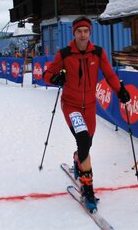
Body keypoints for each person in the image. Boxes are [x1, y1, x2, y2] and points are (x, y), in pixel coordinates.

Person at [43, 16, 130, 213]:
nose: (82, 34)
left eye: (86, 31)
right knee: (83, 140)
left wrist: (120, 91)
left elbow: (109, 74)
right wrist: (55, 78)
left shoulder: (97, 53)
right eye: (79, 31)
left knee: (86, 144)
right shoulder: (64, 54)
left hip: (90, 106)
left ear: (89, 33)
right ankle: (87, 188)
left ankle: (77, 158)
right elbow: (46, 74)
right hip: (71, 105)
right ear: (74, 33)